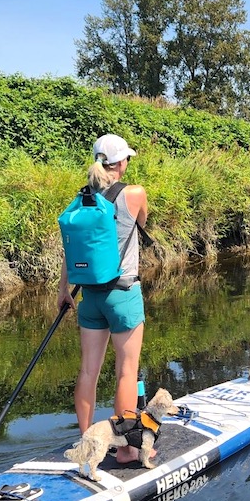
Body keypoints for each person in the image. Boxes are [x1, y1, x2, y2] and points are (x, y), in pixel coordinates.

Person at [58, 133, 149, 463]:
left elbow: (71, 248)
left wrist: (62, 290)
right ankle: (125, 448)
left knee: (87, 372)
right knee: (126, 371)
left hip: (90, 297)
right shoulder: (134, 194)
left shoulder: (80, 200)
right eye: (127, 159)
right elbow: (143, 223)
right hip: (123, 294)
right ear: (122, 162)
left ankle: (87, 444)